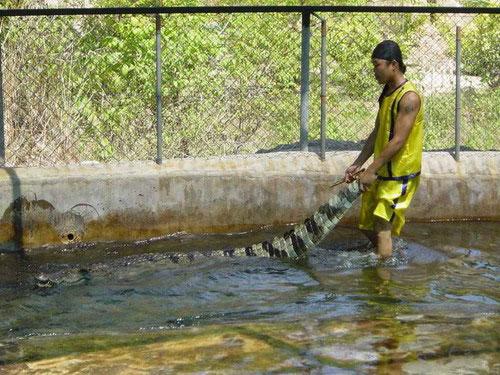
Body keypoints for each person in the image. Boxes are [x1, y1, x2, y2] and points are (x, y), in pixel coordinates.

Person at [345, 40, 423, 258]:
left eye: (377, 65)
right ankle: (388, 254)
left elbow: (398, 141)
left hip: (399, 174)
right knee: (366, 224)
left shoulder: (409, 97)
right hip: (382, 170)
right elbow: (377, 132)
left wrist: (371, 170)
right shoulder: (387, 92)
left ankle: (382, 283)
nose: (374, 71)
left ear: (393, 65)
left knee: (381, 225)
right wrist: (359, 163)